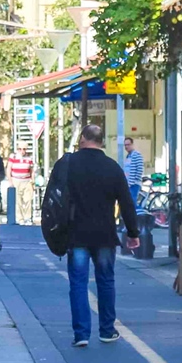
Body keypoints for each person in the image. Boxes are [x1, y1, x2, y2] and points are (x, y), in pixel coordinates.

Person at [55, 124, 139, 347]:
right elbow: (126, 202)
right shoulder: (112, 167)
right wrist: (133, 233)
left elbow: (54, 197)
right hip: (104, 234)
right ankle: (107, 330)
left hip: (77, 233)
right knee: (106, 281)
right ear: (101, 141)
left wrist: (55, 231)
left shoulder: (69, 164)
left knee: (78, 283)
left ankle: (81, 334)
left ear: (83, 138)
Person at [122, 136, 145, 207]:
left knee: (132, 203)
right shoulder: (128, 156)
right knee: (129, 203)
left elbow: (140, 169)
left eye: (128, 145)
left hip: (134, 184)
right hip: (128, 184)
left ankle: (138, 213)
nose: (126, 147)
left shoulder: (136, 155)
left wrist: (134, 181)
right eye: (125, 145)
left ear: (132, 144)